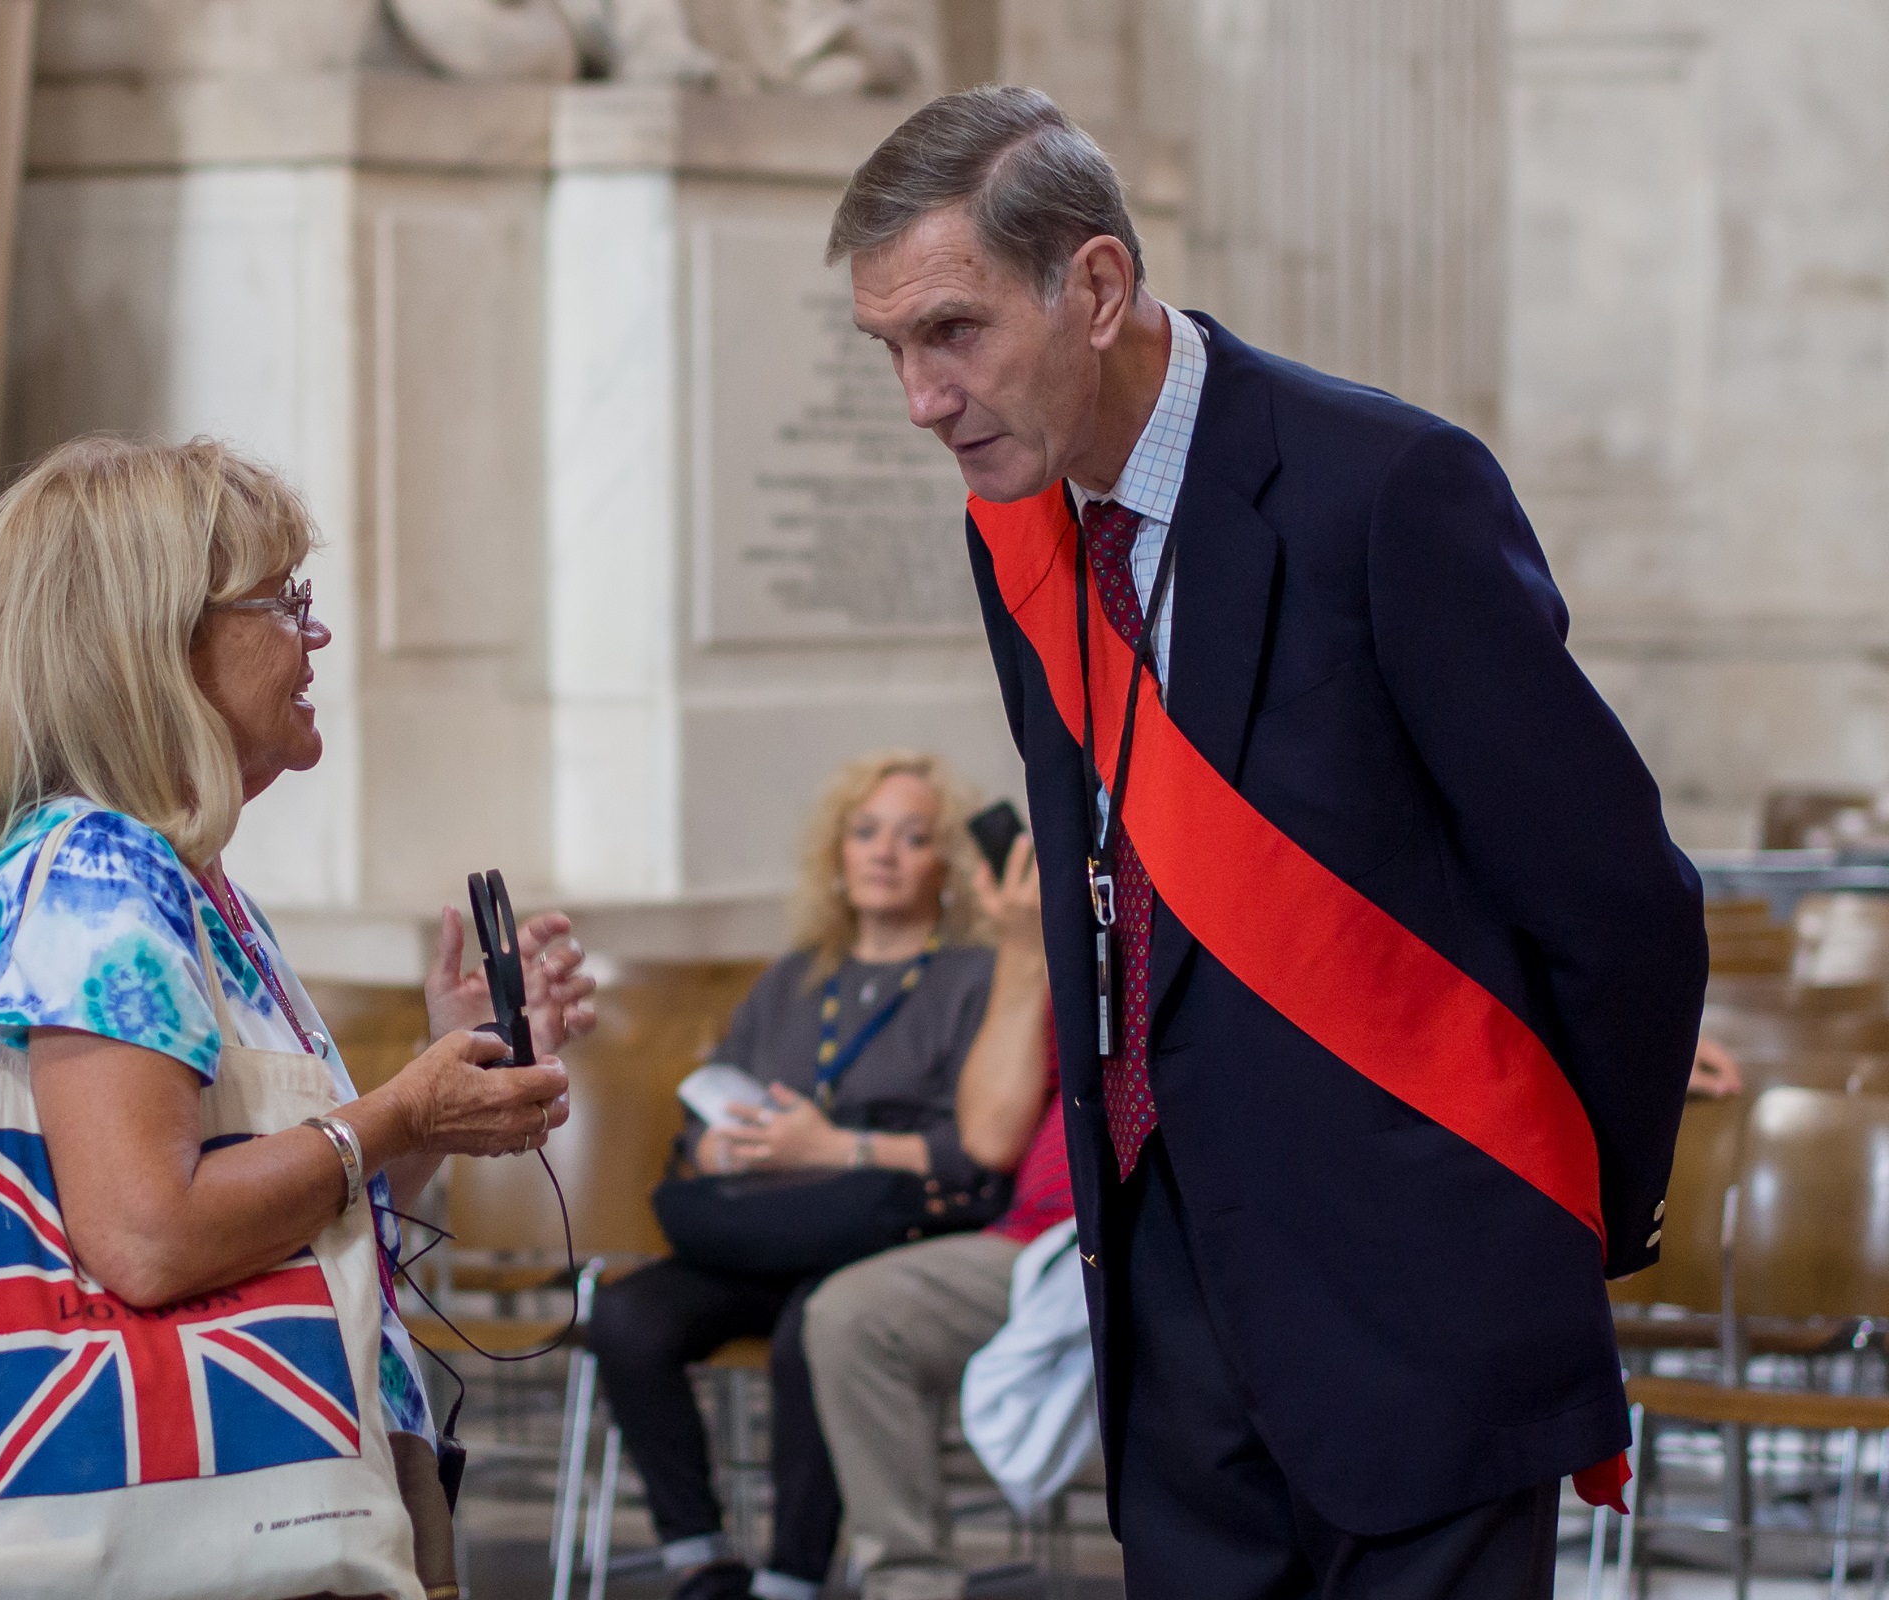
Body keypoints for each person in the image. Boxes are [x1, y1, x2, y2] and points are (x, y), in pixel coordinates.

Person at [830, 87, 1706, 1598]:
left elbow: (1621, 902)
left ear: (1096, 287)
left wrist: (1571, 1212)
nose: (922, 398)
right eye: (891, 350)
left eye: (953, 332)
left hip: (1427, 1300)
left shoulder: (1387, 490)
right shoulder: (1026, 526)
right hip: (1171, 1313)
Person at [0, 435, 588, 1553]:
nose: (315, 637)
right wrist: (399, 1109)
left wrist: (444, 1082)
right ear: (157, 644)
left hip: (284, 1487)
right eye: (282, 602)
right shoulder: (96, 874)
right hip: (202, 1509)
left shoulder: (182, 879)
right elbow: (149, 1235)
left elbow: (306, 1201)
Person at [586, 750, 1003, 1600]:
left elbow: (978, 1154)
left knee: (814, 1331)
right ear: (837, 853)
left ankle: (791, 1578)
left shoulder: (975, 980)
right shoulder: (791, 979)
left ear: (947, 865)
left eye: (913, 837)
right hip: (765, 1229)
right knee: (625, 1313)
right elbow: (701, 1126)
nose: (884, 852)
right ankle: (699, 1556)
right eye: (866, 831)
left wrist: (834, 1149)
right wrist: (718, 1150)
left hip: (885, 1239)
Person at [803, 834, 1068, 1600]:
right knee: (848, 1313)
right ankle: (909, 1585)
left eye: (915, 838)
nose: (883, 854)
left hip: (1152, 1237)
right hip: (1031, 1248)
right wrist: (1025, 947)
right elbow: (989, 1135)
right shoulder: (1042, 964)